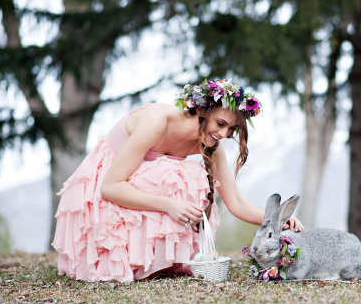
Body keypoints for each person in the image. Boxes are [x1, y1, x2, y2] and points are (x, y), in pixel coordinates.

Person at [52, 79, 304, 282]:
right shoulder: (155, 122)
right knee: (180, 175)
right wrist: (170, 205)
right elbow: (110, 187)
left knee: (192, 174)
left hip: (138, 192)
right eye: (220, 123)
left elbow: (235, 201)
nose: (223, 134)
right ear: (200, 109)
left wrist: (276, 221)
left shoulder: (212, 146)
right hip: (102, 199)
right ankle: (130, 257)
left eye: (231, 130)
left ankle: (157, 260)